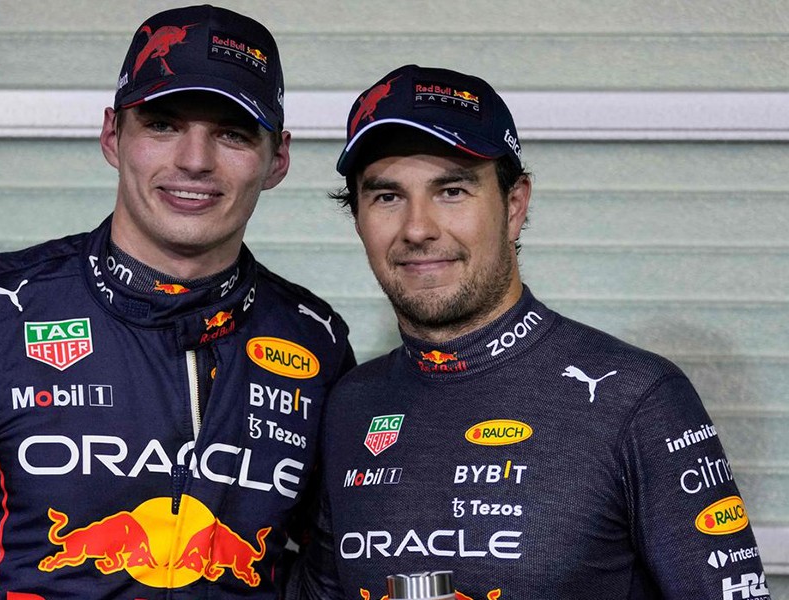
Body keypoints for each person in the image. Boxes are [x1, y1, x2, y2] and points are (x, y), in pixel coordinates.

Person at [0, 5, 355, 599]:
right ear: (112, 136)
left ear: (278, 159)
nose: (195, 160)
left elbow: (337, 575)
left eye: (232, 134)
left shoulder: (315, 340)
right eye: (162, 125)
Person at [288, 64, 769, 600]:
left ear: (514, 206)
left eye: (452, 191)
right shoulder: (350, 403)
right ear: (357, 219)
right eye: (386, 197)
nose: (418, 228)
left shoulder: (639, 398)